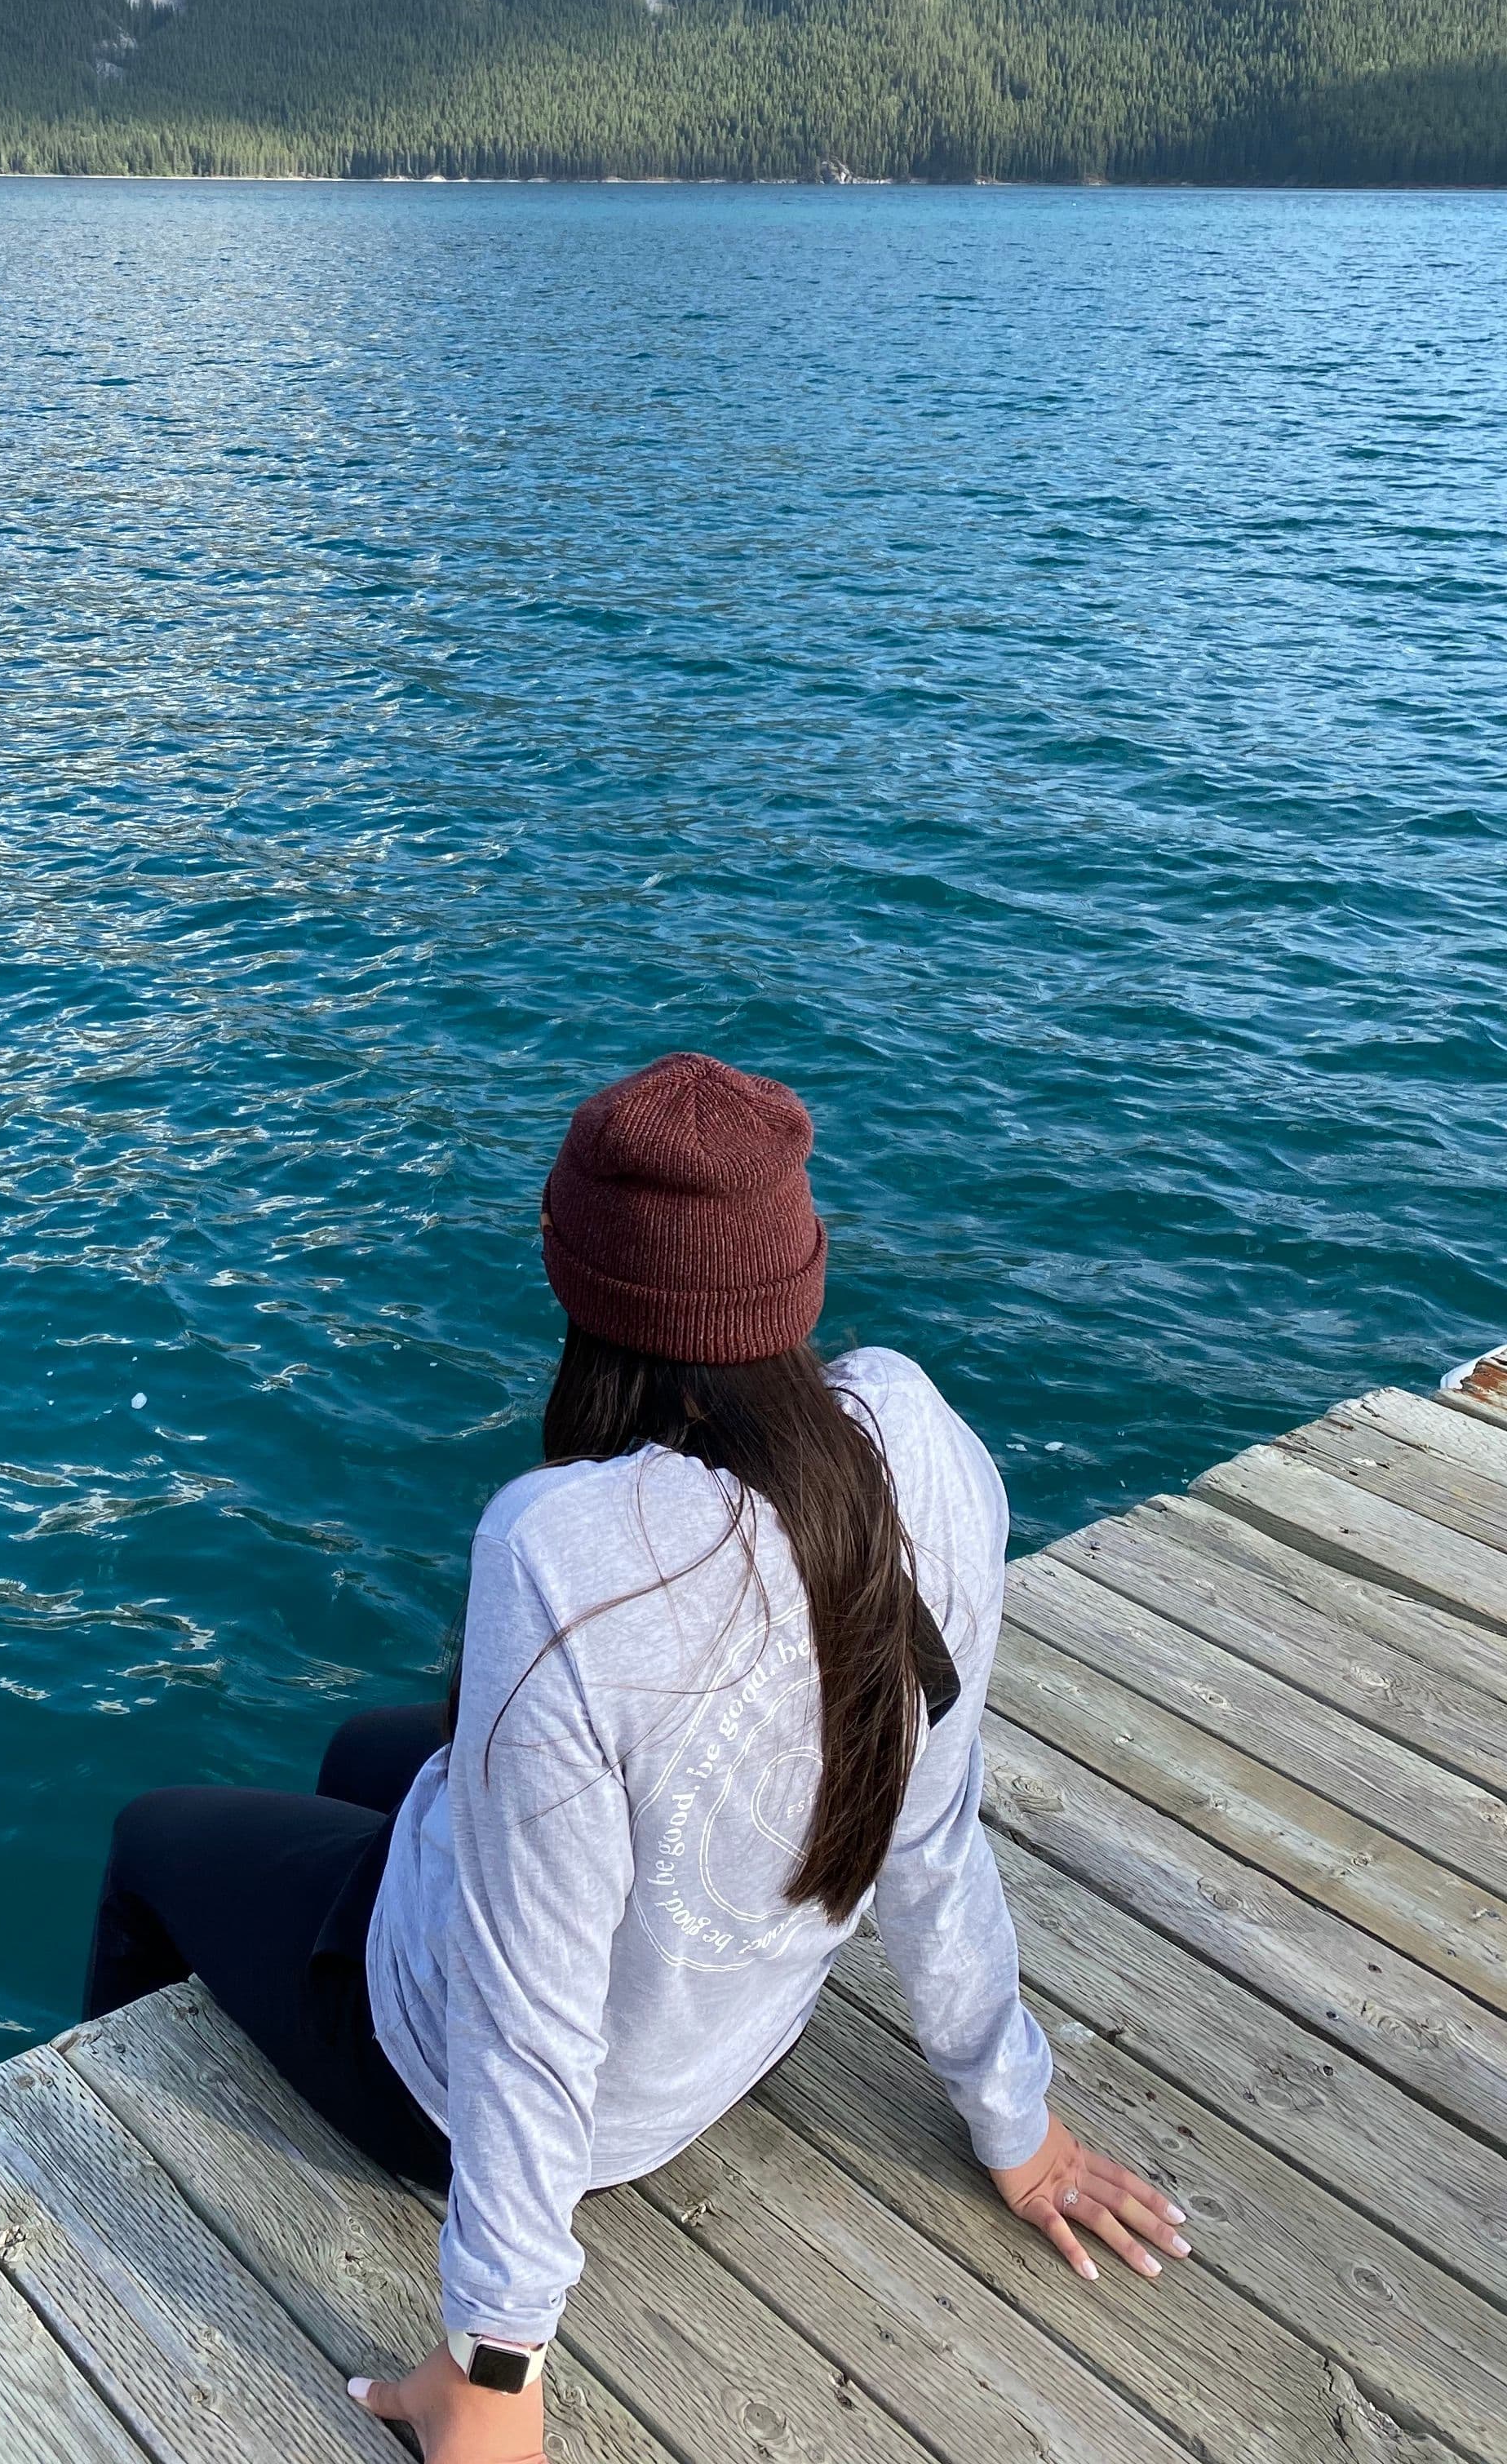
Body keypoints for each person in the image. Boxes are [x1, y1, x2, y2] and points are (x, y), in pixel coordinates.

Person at [85, 1052, 1189, 2462]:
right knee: (366, 1751)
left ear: (576, 1287)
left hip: (462, 2086)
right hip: (723, 2048)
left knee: (148, 1840)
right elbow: (932, 1831)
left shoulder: (561, 1555)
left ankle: (124, 2122)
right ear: (801, 1264)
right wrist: (1014, 2124)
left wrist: (494, 2368)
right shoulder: (917, 1440)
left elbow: (528, 2013)